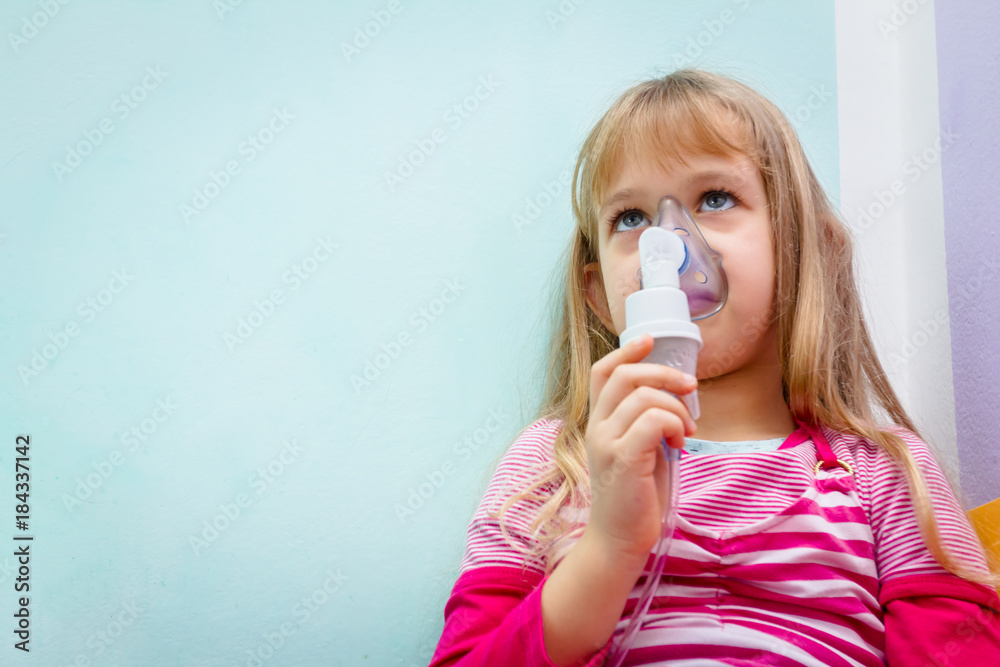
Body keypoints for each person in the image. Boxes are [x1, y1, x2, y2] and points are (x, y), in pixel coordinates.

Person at [428, 68, 1000, 666]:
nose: (669, 246)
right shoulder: (552, 467)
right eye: (630, 218)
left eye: (715, 198)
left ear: (800, 250)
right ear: (599, 294)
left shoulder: (886, 475)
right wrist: (610, 546)